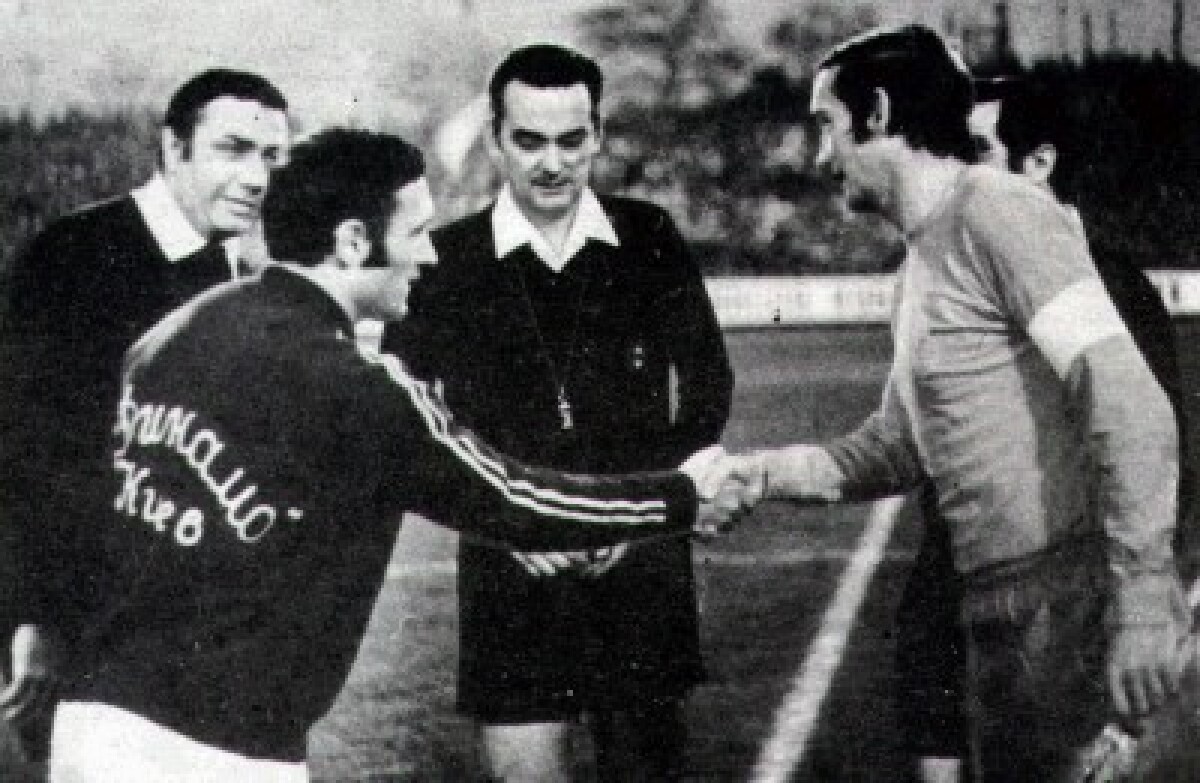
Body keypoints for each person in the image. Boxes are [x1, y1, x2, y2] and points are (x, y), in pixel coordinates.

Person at [46, 127, 746, 782]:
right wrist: (684, 496)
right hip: (216, 750)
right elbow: (516, 500)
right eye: (415, 232)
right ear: (353, 242)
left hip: (85, 724)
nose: (429, 255)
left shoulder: (172, 332)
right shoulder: (359, 388)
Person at [732, 25, 1189, 782]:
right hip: (1000, 613)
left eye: (827, 126)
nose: (820, 155)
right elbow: (896, 446)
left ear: (878, 113)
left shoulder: (998, 211)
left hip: (1067, 602)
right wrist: (760, 473)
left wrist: (1141, 596)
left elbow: (1127, 395)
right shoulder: (918, 265)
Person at [382, 43, 733, 782]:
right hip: (510, 571)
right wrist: (497, 522)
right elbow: (399, 413)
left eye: (572, 140)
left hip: (639, 566)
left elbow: (708, 382)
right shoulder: (447, 260)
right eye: (530, 140)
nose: (552, 163)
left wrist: (647, 509)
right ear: (495, 140)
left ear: (598, 135)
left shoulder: (649, 239)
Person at [893, 74, 1193, 783]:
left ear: (1038, 164)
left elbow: (1149, 454)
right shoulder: (948, 271)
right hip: (961, 576)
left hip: (1060, 600)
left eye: (975, 152)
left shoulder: (1107, 287)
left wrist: (1134, 609)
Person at [0, 68, 290, 759]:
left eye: (271, 157)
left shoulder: (239, 270)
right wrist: (33, 618)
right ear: (173, 147)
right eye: (233, 149)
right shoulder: (73, 255)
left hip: (201, 627)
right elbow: (24, 449)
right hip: (88, 625)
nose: (257, 177)